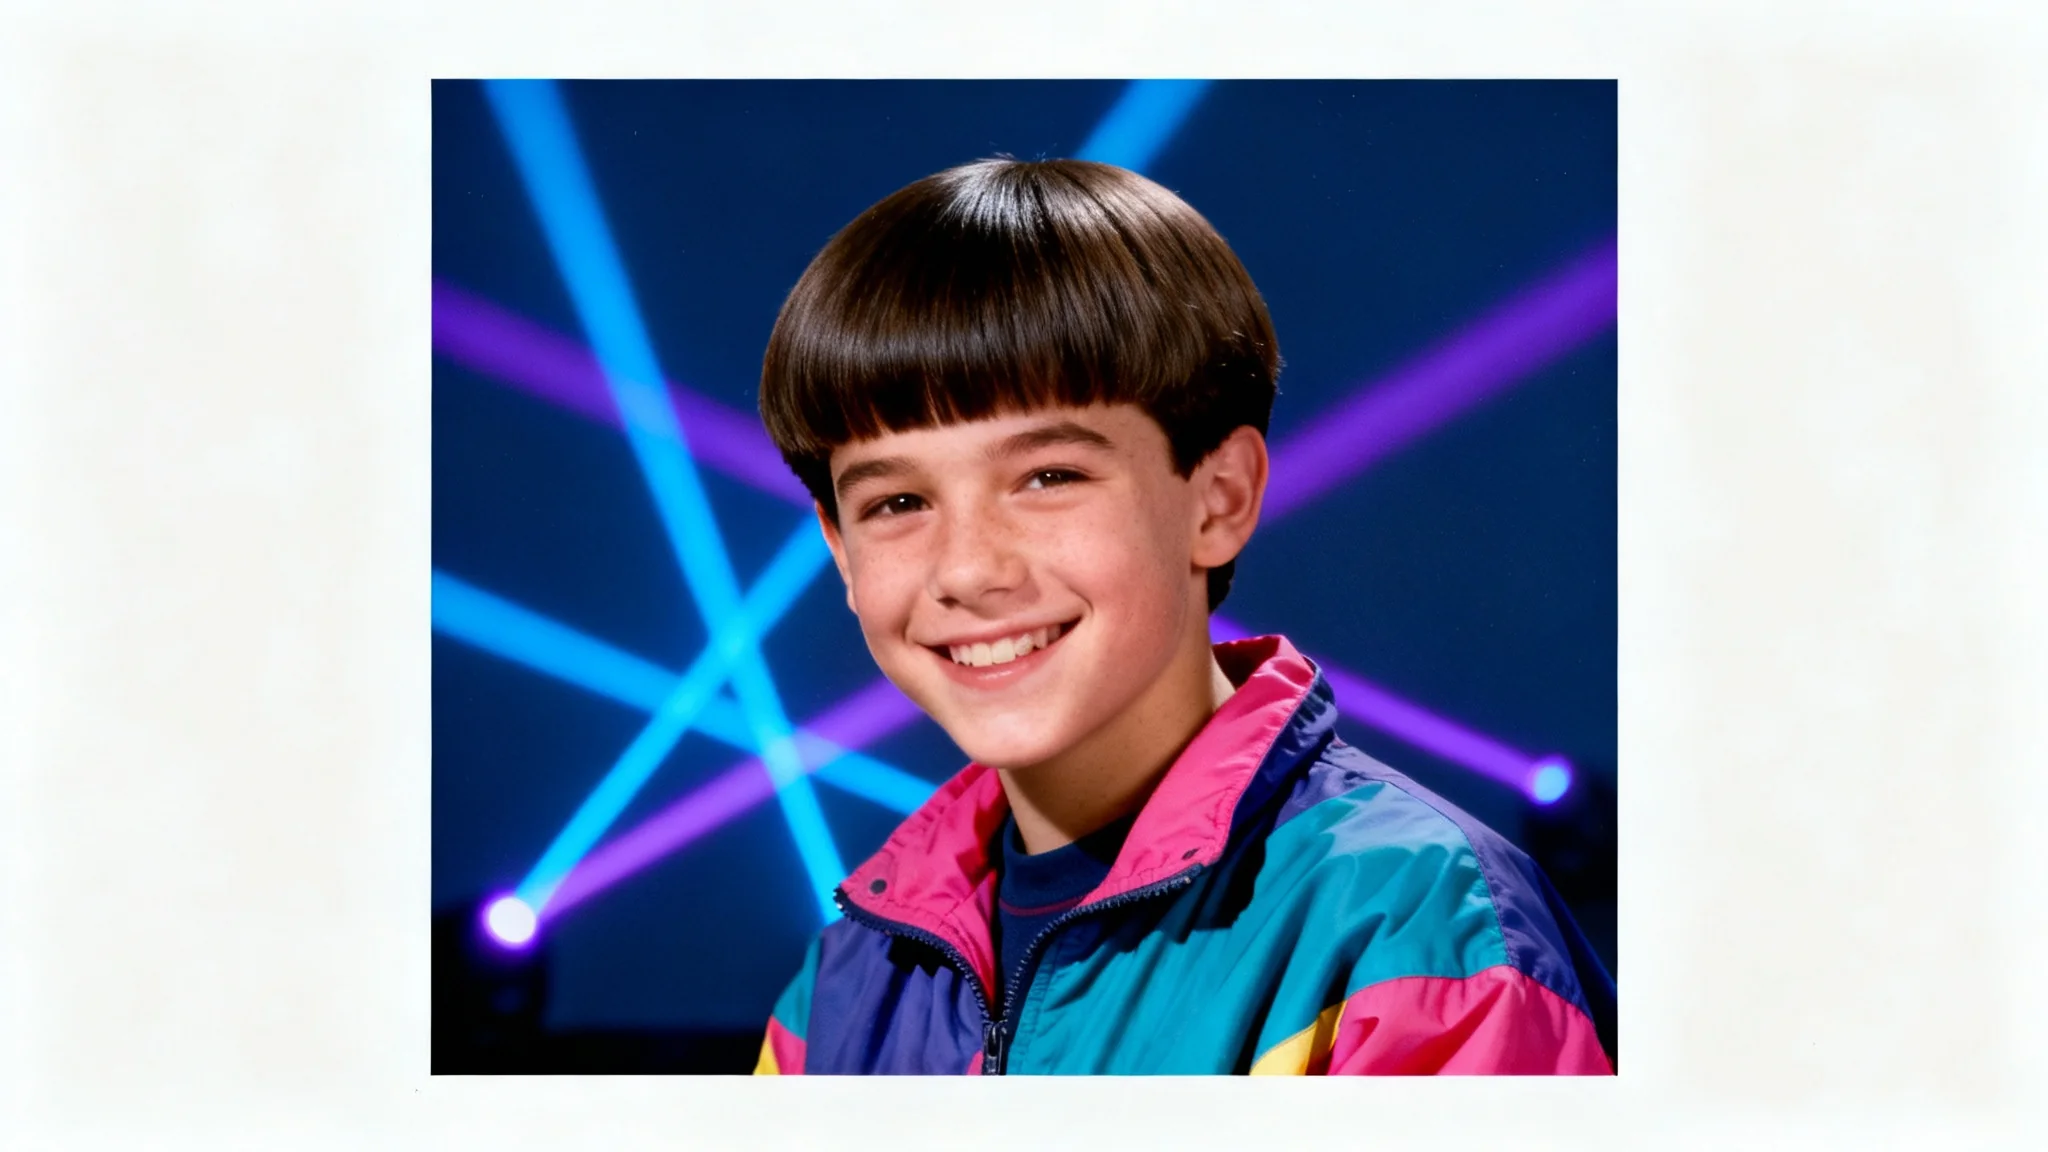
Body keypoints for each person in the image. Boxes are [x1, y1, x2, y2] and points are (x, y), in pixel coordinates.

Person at [749, 157, 1615, 1075]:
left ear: (1218, 498)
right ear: (839, 551)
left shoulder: (1414, 932)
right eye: (896, 504)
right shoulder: (835, 995)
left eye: (1049, 478)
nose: (967, 569)